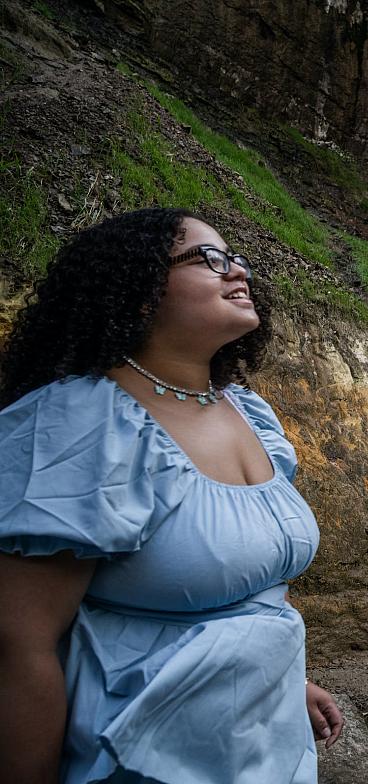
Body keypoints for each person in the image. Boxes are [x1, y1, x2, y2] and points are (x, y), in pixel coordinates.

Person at [0, 208, 344, 783]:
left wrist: (283, 681)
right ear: (138, 292)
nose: (237, 271)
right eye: (209, 259)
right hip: (138, 752)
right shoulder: (82, 425)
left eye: (236, 257)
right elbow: (19, 646)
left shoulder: (246, 410)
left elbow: (252, 588)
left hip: (261, 745)